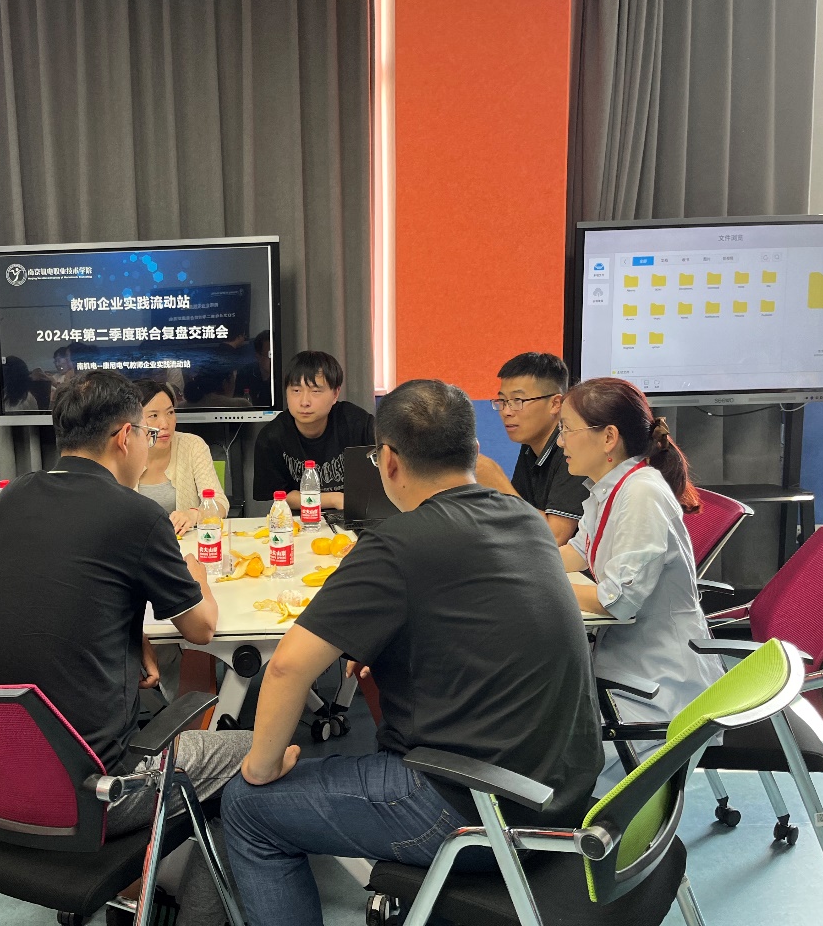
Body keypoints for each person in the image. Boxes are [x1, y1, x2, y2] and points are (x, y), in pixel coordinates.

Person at [222, 380, 603, 926]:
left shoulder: (397, 541)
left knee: (247, 806)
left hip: (474, 806)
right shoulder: (526, 520)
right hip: (564, 794)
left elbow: (284, 667)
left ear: (388, 461)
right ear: (474, 451)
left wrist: (262, 767)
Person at [0, 370, 252, 926]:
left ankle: (138, 882)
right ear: (125, 437)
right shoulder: (136, 514)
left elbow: (65, 593)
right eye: (147, 433)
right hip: (101, 785)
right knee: (256, 749)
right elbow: (201, 630)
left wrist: (131, 637)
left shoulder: (16, 496)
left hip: (6, 771)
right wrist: (196, 569)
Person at [555, 376, 725, 791]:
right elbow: (577, 552)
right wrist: (515, 568)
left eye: (567, 429)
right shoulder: (613, 487)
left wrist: (541, 587)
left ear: (608, 437)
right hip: (626, 662)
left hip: (656, 683)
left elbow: (617, 600)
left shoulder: (642, 493)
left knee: (558, 755)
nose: (560, 442)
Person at [252, 350, 375, 510]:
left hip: (353, 514)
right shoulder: (272, 437)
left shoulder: (357, 423)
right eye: (296, 391)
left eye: (315, 391)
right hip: (300, 518)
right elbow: (279, 495)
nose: (304, 402)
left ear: (335, 394)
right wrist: (334, 499)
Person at [487, 352, 589, 544]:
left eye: (518, 401)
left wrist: (497, 483)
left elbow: (555, 536)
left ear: (555, 403)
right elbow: (518, 519)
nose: (506, 412)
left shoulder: (574, 449)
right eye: (502, 401)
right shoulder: (530, 446)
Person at [136, 379, 229, 536]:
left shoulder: (192, 446)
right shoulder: (120, 452)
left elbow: (220, 504)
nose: (165, 424)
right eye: (153, 415)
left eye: (170, 413)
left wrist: (194, 515)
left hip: (185, 544)